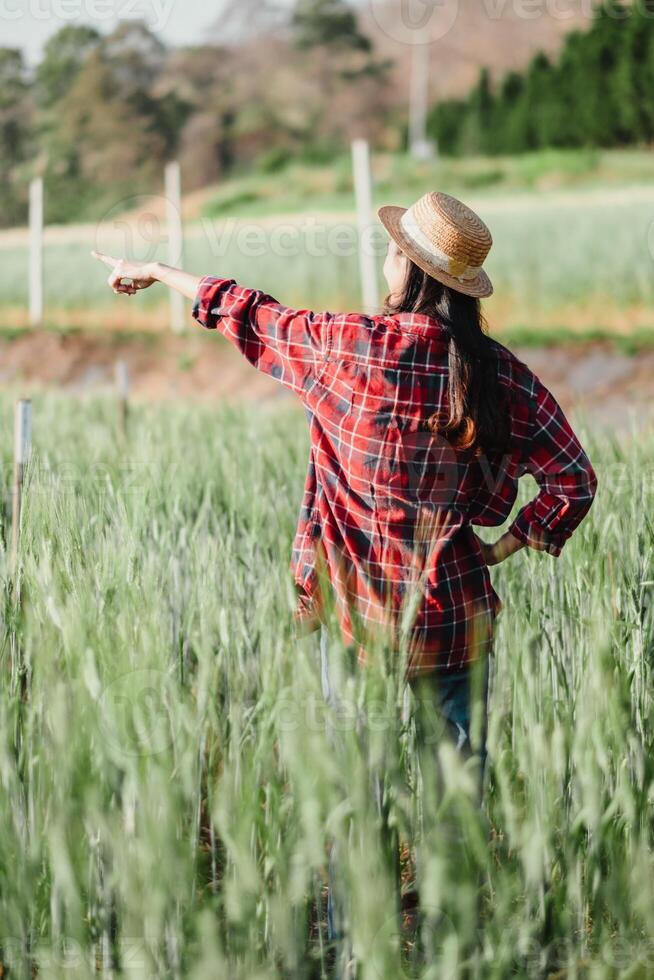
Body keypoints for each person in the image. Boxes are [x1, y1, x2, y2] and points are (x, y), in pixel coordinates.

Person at [92, 189, 597, 944]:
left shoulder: (346, 345)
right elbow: (574, 480)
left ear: (408, 268)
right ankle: (452, 944)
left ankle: (346, 941)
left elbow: (246, 309)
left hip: (354, 615)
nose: (386, 259)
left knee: (352, 792)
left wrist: (156, 270)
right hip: (454, 617)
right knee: (456, 795)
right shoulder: (501, 376)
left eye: (394, 251)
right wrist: (505, 544)